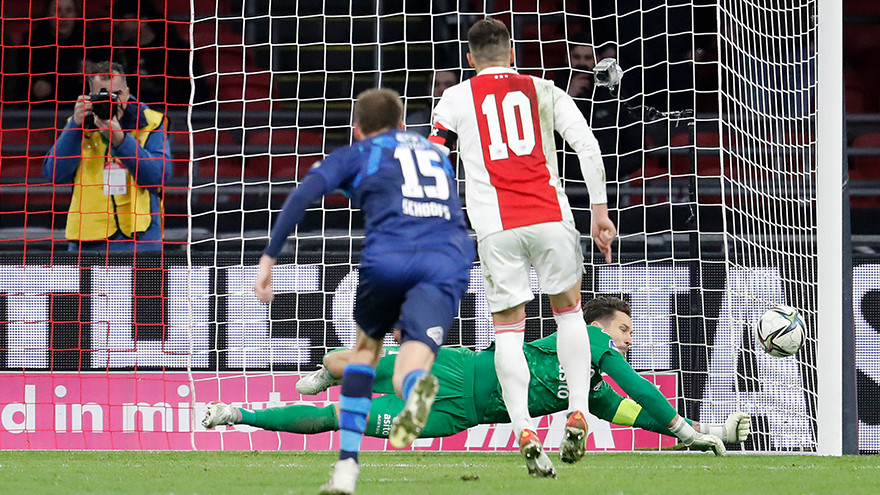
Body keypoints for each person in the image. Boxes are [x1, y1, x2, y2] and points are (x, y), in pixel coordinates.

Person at [252, 88, 475, 495]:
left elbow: (303, 194)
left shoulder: (360, 152)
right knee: (412, 361)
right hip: (447, 259)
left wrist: (269, 257)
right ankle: (416, 390)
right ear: (403, 124)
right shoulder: (434, 153)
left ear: (357, 129)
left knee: (366, 352)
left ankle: (346, 468)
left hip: (389, 258)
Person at [427, 18, 617, 476]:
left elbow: (434, 155)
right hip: (551, 218)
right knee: (569, 315)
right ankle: (577, 410)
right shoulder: (544, 89)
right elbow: (587, 145)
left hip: (497, 227)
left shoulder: (455, 97)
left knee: (509, 332)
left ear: (470, 59)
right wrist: (599, 211)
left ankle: (524, 431)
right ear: (512, 53)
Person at [203, 297, 747, 456]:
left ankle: (237, 413)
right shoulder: (588, 339)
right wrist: (685, 429)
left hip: (452, 414)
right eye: (624, 329)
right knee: (349, 368)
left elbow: (635, 410)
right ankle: (328, 368)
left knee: (339, 420)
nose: (627, 340)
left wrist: (705, 434)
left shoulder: (592, 392)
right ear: (598, 326)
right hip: (455, 368)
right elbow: (642, 388)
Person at [42, 61, 171, 252]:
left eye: (117, 94)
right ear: (90, 96)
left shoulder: (151, 122)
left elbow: (157, 177)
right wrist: (75, 127)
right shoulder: (77, 123)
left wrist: (121, 141)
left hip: (139, 239)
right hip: (88, 240)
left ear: (127, 93)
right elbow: (54, 174)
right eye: (104, 95)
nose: (112, 102)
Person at [105, 0, 209, 106]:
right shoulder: (114, 49)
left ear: (143, 20)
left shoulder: (177, 51)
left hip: (170, 112)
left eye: (122, 19)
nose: (115, 24)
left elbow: (196, 93)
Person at [28, 0, 109, 109]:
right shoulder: (32, 43)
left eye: (69, 10)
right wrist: (33, 86)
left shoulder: (91, 43)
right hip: (43, 111)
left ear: (76, 14)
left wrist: (95, 75)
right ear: (48, 15)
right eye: (58, 10)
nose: (63, 17)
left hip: (82, 109)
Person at [405, 70, 460, 137]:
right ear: (428, 89)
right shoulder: (413, 123)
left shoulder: (468, 121)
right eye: (435, 85)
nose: (441, 90)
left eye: (448, 85)